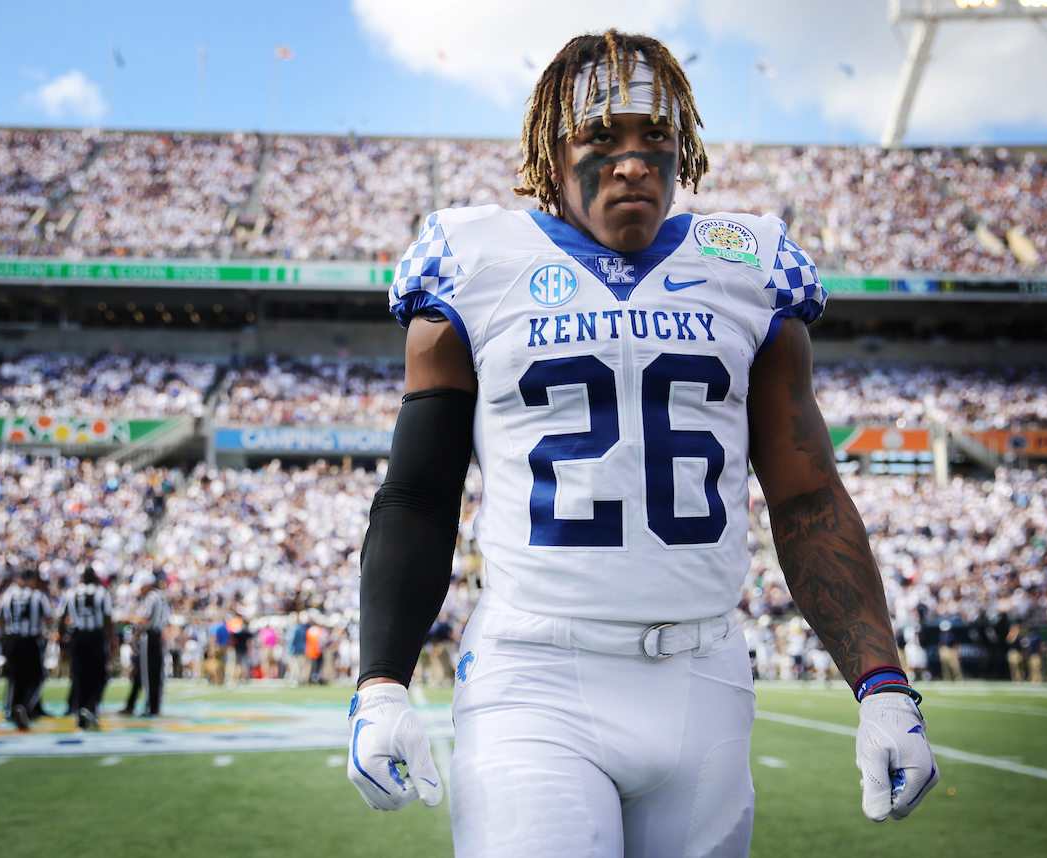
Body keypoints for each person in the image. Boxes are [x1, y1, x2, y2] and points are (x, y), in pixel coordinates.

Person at [347, 29, 939, 856]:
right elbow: (417, 493)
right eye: (600, 136)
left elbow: (807, 496)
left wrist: (883, 687)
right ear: (550, 152)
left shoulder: (748, 267)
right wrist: (381, 682)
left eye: (654, 137)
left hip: (704, 676)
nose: (633, 161)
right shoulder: (474, 261)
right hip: (533, 673)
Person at [58, 566, 113, 730]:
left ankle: (81, 715)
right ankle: (90, 707)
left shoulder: (72, 592)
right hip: (95, 636)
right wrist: (111, 642)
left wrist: (62, 643)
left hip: (78, 636)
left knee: (80, 676)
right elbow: (107, 619)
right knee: (101, 675)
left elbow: (62, 618)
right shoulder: (102, 593)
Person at [0, 568, 52, 731]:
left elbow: (1, 620)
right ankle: (25, 707)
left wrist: (6, 639)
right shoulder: (38, 596)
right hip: (31, 639)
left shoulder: (8, 595)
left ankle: (10, 710)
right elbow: (48, 618)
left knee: (15, 677)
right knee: (37, 677)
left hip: (13, 639)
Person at [120, 570, 170, 717]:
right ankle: (132, 705)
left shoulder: (151, 597)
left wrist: (127, 617)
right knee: (142, 673)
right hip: (156, 636)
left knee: (148, 674)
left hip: (149, 637)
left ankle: (151, 707)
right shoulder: (160, 596)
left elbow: (144, 619)